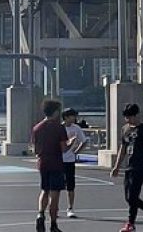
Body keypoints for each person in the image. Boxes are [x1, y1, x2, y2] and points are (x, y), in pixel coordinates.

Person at [110, 103, 143, 232]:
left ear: (136, 115)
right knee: (128, 198)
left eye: (130, 117)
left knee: (133, 196)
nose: (127, 120)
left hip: (141, 166)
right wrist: (116, 166)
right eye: (126, 117)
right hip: (129, 166)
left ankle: (131, 224)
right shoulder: (125, 129)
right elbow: (122, 148)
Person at [31, 99, 75, 232]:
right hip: (56, 163)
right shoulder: (58, 127)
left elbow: (35, 150)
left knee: (44, 190)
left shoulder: (37, 128)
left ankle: (40, 214)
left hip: (43, 163)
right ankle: (53, 224)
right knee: (54, 194)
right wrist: (71, 142)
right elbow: (64, 148)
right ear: (55, 112)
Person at [61, 107, 87, 218]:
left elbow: (84, 141)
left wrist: (76, 152)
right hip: (58, 160)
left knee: (70, 186)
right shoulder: (59, 128)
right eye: (72, 116)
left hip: (70, 160)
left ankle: (70, 208)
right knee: (55, 185)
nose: (74, 118)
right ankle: (54, 207)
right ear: (66, 117)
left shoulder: (76, 128)